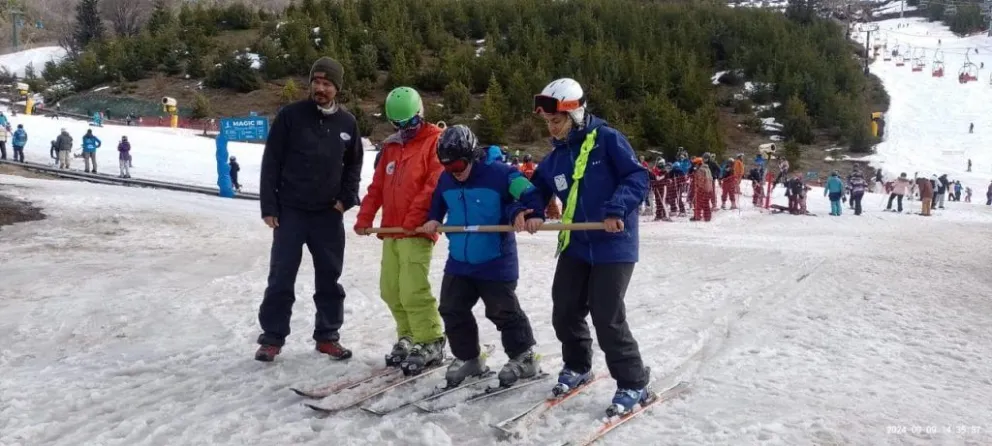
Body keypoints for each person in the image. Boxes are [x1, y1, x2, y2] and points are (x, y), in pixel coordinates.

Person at [525, 77, 651, 416]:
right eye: (548, 122)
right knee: (565, 308)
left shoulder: (607, 140)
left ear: (576, 113)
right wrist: (532, 211)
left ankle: (634, 382)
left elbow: (637, 177)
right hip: (577, 244)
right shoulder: (555, 158)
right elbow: (536, 189)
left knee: (606, 314)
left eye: (556, 120)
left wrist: (616, 208)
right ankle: (578, 365)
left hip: (614, 242)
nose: (551, 128)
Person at [255, 56, 364, 362]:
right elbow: (271, 162)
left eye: (326, 84)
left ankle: (328, 336)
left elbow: (354, 164)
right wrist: (269, 206)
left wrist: (347, 198)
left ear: (336, 88)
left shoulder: (348, 123)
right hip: (290, 212)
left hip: (328, 214)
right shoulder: (290, 116)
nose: (320, 88)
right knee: (281, 277)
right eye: (316, 82)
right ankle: (272, 338)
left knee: (329, 277)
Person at [418, 124, 542, 388]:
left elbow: (530, 193)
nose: (455, 172)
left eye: (459, 164)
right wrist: (432, 219)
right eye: (447, 165)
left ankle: (524, 357)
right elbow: (438, 202)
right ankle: (468, 358)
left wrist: (526, 213)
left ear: (472, 155)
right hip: (459, 260)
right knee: (451, 308)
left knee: (502, 311)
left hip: (495, 260)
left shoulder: (501, 173)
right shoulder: (446, 178)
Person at [354, 86, 446, 375]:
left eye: (411, 123)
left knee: (412, 289)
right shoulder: (392, 147)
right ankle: (408, 335)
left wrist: (414, 219)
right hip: (392, 229)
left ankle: (430, 339)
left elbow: (433, 185)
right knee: (390, 289)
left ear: (420, 114)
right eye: (399, 125)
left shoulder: (435, 142)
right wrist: (366, 215)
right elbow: (378, 186)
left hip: (417, 230)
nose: (406, 130)